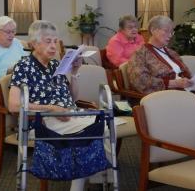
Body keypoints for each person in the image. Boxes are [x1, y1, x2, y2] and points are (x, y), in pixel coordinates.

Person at [8, 20, 116, 191]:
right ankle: (99, 181)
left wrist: (74, 73)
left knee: (107, 126)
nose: (53, 46)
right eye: (47, 41)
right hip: (44, 122)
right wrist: (50, 109)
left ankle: (93, 181)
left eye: (55, 41)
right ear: (34, 44)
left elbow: (72, 98)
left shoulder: (55, 65)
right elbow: (13, 105)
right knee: (103, 129)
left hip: (69, 115)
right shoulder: (23, 66)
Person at [127, 15, 195, 95]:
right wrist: (174, 83)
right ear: (153, 30)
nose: (170, 35)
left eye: (171, 32)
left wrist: (194, 84)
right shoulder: (140, 54)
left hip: (185, 92)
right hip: (164, 96)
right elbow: (140, 80)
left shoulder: (172, 53)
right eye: (166, 31)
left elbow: (187, 73)